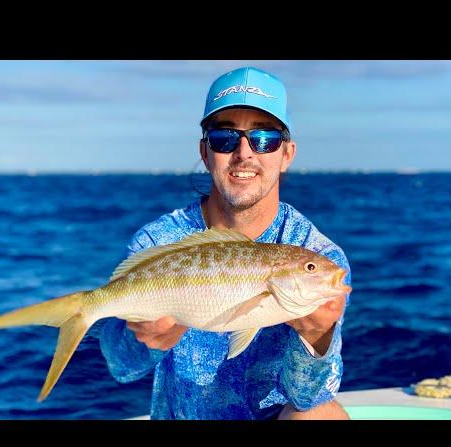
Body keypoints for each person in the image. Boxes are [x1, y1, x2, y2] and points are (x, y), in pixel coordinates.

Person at [98, 66, 352, 420]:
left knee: (322, 415)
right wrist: (144, 341)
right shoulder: (161, 241)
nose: (244, 153)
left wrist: (318, 338)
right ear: (205, 153)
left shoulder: (317, 253)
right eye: (224, 138)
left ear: (287, 154)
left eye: (265, 138)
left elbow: (309, 397)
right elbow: (121, 366)